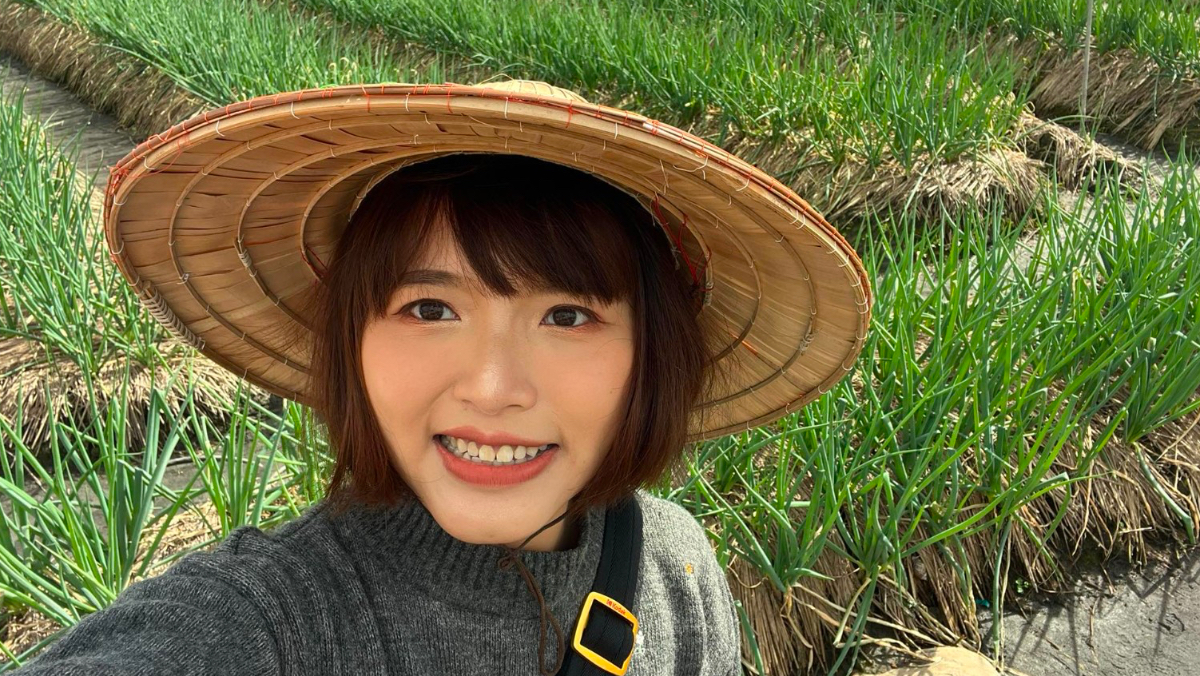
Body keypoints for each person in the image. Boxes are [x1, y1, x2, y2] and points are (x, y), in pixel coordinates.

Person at [10, 80, 871, 675]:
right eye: (429, 308)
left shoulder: (675, 570)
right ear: (351, 338)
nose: (492, 388)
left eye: (567, 316)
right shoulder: (272, 622)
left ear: (653, 354)